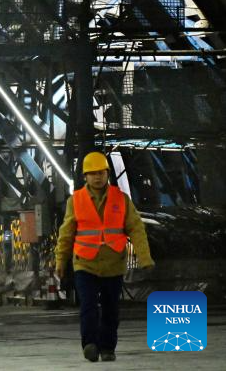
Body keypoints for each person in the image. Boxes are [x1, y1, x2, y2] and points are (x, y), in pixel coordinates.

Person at [55, 152, 154, 363]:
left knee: (111, 310)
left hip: (113, 265)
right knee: (88, 306)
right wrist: (60, 262)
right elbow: (66, 234)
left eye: (100, 173)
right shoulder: (77, 200)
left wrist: (145, 259)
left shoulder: (121, 199)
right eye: (91, 174)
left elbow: (136, 229)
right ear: (85, 177)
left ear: (107, 173)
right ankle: (90, 344)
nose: (96, 177)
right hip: (85, 264)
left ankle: (108, 348)